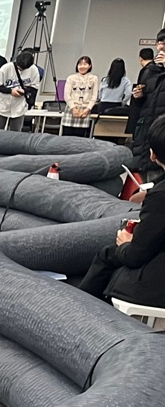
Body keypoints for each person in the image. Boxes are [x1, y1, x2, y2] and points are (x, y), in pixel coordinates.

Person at [79, 117, 165, 306]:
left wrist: (125, 243)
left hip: (157, 284)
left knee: (108, 255)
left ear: (153, 154)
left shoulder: (160, 197)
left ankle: (78, 310)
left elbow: (135, 256)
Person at [131, 30, 165, 178]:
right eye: (159, 42)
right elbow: (144, 100)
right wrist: (138, 96)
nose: (161, 47)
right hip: (146, 128)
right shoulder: (149, 71)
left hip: (162, 129)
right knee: (145, 174)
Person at [0, 50, 41, 132]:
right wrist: (10, 91)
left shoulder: (34, 70)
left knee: (16, 133)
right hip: (3, 104)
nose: (21, 70)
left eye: (23, 69)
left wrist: (24, 91)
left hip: (19, 106)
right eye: (19, 68)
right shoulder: (6, 68)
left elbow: (34, 87)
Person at [63, 55, 99, 136]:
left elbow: (94, 96)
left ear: (90, 66)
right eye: (80, 64)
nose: (82, 66)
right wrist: (73, 108)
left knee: (81, 137)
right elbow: (66, 94)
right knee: (67, 136)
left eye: (85, 64)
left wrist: (87, 109)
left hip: (85, 111)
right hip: (71, 110)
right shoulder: (71, 78)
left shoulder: (94, 78)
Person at [128, 46, 157, 134]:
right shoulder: (158, 69)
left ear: (140, 58)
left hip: (145, 109)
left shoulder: (145, 71)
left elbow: (141, 90)